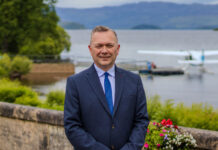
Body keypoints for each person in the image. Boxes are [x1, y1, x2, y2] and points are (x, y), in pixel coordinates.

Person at [64, 26, 149, 150]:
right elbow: (72, 126)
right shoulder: (75, 83)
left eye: (109, 45)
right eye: (99, 46)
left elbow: (141, 121)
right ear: (90, 49)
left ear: (117, 49)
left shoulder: (134, 81)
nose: (104, 51)